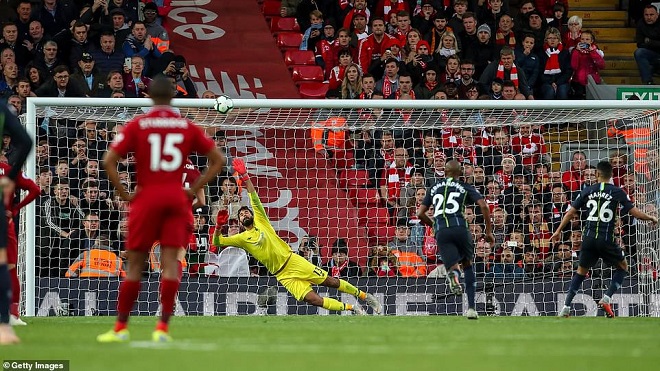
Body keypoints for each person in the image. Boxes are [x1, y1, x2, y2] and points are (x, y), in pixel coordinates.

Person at [97, 76, 225, 343]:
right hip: (176, 200)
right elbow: (218, 160)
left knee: (135, 265)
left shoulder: (138, 125)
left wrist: (125, 194)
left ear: (151, 98)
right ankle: (162, 329)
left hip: (147, 198)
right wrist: (192, 189)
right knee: (170, 264)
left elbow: (108, 160)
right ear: (172, 98)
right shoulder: (185, 126)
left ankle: (121, 328)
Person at [213, 158, 382, 315]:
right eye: (241, 214)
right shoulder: (242, 238)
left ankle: (365, 296)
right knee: (313, 299)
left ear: (252, 214)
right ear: (241, 222)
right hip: (282, 274)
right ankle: (352, 308)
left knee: (330, 282)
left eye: (245, 211)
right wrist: (219, 227)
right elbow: (217, 241)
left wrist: (244, 176)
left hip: (293, 261)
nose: (243, 214)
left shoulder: (261, 220)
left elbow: (253, 196)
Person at [552, 161, 658, 318]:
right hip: (605, 238)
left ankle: (566, 307)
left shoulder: (588, 190)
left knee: (580, 273)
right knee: (623, 266)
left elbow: (569, 213)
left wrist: (558, 231)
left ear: (596, 174)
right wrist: (650, 217)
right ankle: (607, 298)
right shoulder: (617, 191)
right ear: (612, 176)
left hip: (587, 238)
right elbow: (635, 213)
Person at [417, 159, 494, 320]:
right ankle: (472, 308)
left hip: (442, 230)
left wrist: (434, 225)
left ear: (444, 172)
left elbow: (420, 213)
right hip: (460, 228)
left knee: (451, 265)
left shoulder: (434, 188)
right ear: (460, 173)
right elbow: (484, 206)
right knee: (468, 264)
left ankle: (453, 274)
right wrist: (488, 232)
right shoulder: (465, 187)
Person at [0, 104, 32, 344]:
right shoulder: (8, 170)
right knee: (6, 265)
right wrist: (14, 210)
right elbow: (35, 189)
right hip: (4, 218)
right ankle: (9, 319)